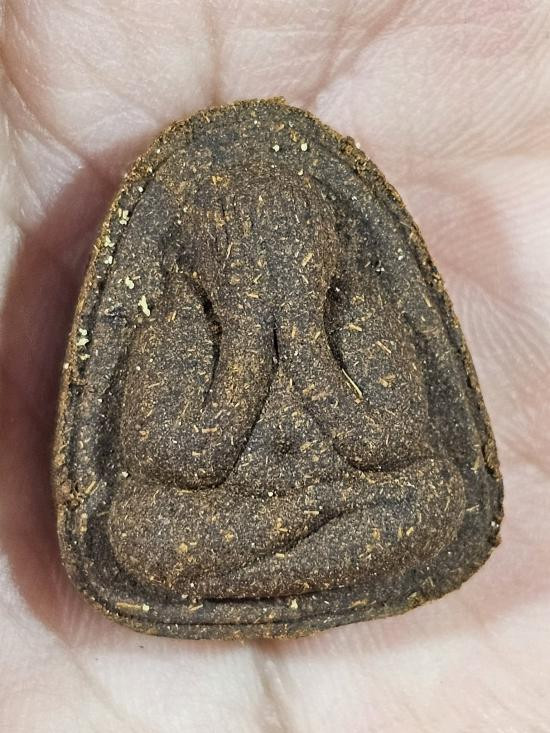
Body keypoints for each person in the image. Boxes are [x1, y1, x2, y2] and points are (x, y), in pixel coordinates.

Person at [0, 2, 548, 730]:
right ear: (207, 266)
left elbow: (390, 443)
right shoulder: (178, 323)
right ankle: (293, 536)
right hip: (258, 512)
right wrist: (248, 353)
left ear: (323, 257)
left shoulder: (354, 310)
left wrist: (308, 343)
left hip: (330, 501)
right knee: (133, 532)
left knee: (436, 500)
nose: (270, 278)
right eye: (246, 267)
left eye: (291, 262)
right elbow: (177, 458)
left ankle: (265, 552)